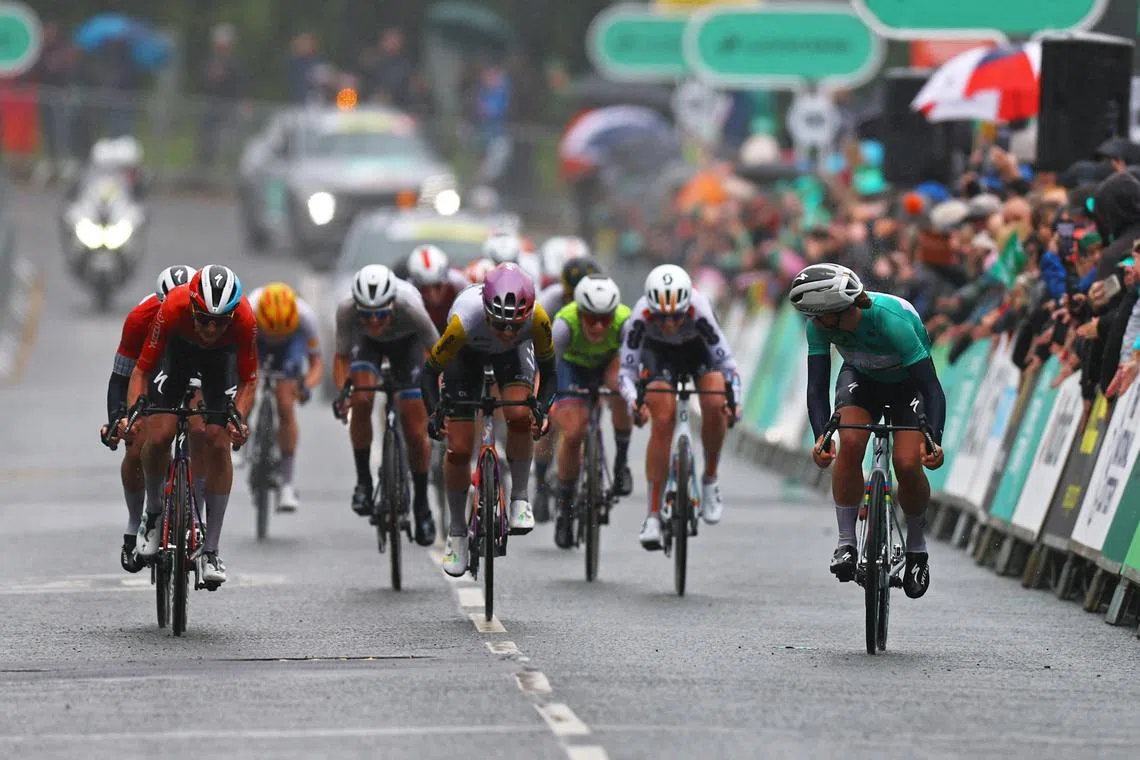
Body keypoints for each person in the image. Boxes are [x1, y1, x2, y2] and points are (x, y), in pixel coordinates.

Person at [791, 263, 946, 600]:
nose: (816, 325)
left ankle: (917, 549)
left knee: (907, 463)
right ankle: (846, 542)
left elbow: (931, 387)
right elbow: (816, 387)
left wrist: (934, 438)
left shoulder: (893, 320)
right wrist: (821, 436)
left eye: (820, 318)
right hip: (861, 379)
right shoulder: (819, 326)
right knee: (850, 440)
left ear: (841, 309)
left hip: (909, 387)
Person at [420, 263, 557, 577]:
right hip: (465, 357)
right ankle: (456, 534)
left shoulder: (537, 319)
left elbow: (549, 374)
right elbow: (429, 373)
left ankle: (521, 497)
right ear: (486, 310)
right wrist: (434, 413)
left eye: (514, 325)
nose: (507, 333)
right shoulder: (463, 320)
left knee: (520, 413)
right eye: (499, 325)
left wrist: (543, 411)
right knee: (457, 448)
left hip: (514, 359)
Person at [124, 265, 256, 585]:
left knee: (215, 439)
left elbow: (249, 381)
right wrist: (133, 415)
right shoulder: (173, 307)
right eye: (204, 319)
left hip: (218, 366)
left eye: (219, 321)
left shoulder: (245, 320)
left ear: (232, 316)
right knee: (159, 436)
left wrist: (238, 418)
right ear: (192, 306)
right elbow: (141, 371)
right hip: (177, 358)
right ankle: (153, 512)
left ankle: (210, 550)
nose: (211, 329)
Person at [618, 265, 742, 551]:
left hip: (697, 351)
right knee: (662, 419)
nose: (670, 323)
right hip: (657, 355)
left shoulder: (699, 309)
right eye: (662, 317)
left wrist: (735, 401)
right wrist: (633, 401)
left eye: (676, 315)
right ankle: (651, 515)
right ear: (651, 308)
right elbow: (625, 373)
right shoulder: (640, 316)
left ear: (687, 306)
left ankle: (710, 479)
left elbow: (727, 364)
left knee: (715, 401)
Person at [331, 264, 440, 546]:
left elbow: (437, 353)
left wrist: (433, 394)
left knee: (416, 430)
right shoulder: (346, 310)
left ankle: (422, 506)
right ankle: (364, 482)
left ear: (392, 303)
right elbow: (341, 357)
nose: (375, 322)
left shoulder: (411, 307)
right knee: (362, 398)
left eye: (380, 313)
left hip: (409, 346)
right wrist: (345, 393)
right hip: (367, 347)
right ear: (358, 308)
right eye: (367, 315)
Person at [102, 265, 195, 572]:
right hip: (152, 372)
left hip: (193, 370)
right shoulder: (140, 318)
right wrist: (118, 420)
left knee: (204, 429)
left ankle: (196, 515)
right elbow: (120, 379)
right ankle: (135, 524)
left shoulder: (206, 317)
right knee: (137, 440)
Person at [549, 275, 634, 548]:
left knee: (620, 388)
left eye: (605, 319)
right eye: (591, 318)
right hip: (572, 369)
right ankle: (564, 508)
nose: (598, 326)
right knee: (573, 432)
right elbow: (545, 366)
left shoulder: (626, 322)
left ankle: (621, 463)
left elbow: (636, 363)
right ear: (580, 312)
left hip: (608, 365)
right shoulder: (563, 324)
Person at [532, 253, 604, 520]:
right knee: (549, 421)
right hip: (558, 356)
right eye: (571, 295)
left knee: (592, 409)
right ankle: (540, 485)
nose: (577, 302)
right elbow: (537, 345)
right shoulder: (550, 302)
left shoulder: (602, 300)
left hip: (593, 360)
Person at [248, 282, 323, 512]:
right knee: (249, 384)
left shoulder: (305, 317)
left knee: (285, 403)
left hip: (291, 349)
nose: (276, 337)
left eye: (280, 333)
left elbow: (316, 364)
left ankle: (287, 484)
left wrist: (306, 387)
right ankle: (240, 433)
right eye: (273, 332)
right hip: (255, 342)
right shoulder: (249, 310)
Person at [406, 244, 469, 333]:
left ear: (445, 280)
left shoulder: (459, 282)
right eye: (425, 288)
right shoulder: (409, 293)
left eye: (437, 286)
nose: (433, 295)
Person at [537, 256, 601, 318]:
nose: (575, 305)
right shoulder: (551, 299)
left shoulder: (603, 304)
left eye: (586, 297)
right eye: (572, 297)